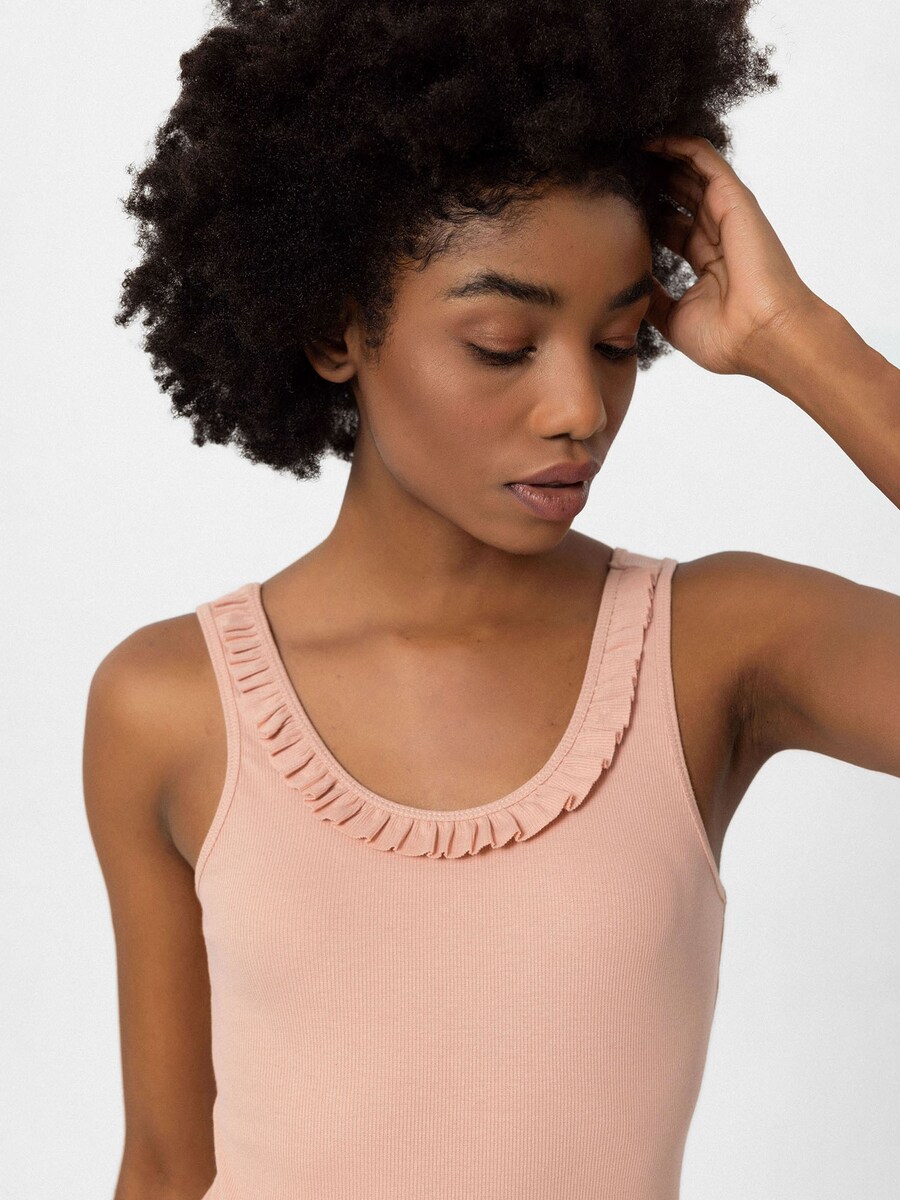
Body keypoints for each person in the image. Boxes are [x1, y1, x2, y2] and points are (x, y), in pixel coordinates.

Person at [83, 1, 900, 1197]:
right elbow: (164, 1167)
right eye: (505, 343)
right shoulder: (166, 703)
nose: (580, 409)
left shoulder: (720, 647)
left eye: (618, 342)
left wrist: (799, 339)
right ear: (335, 329)